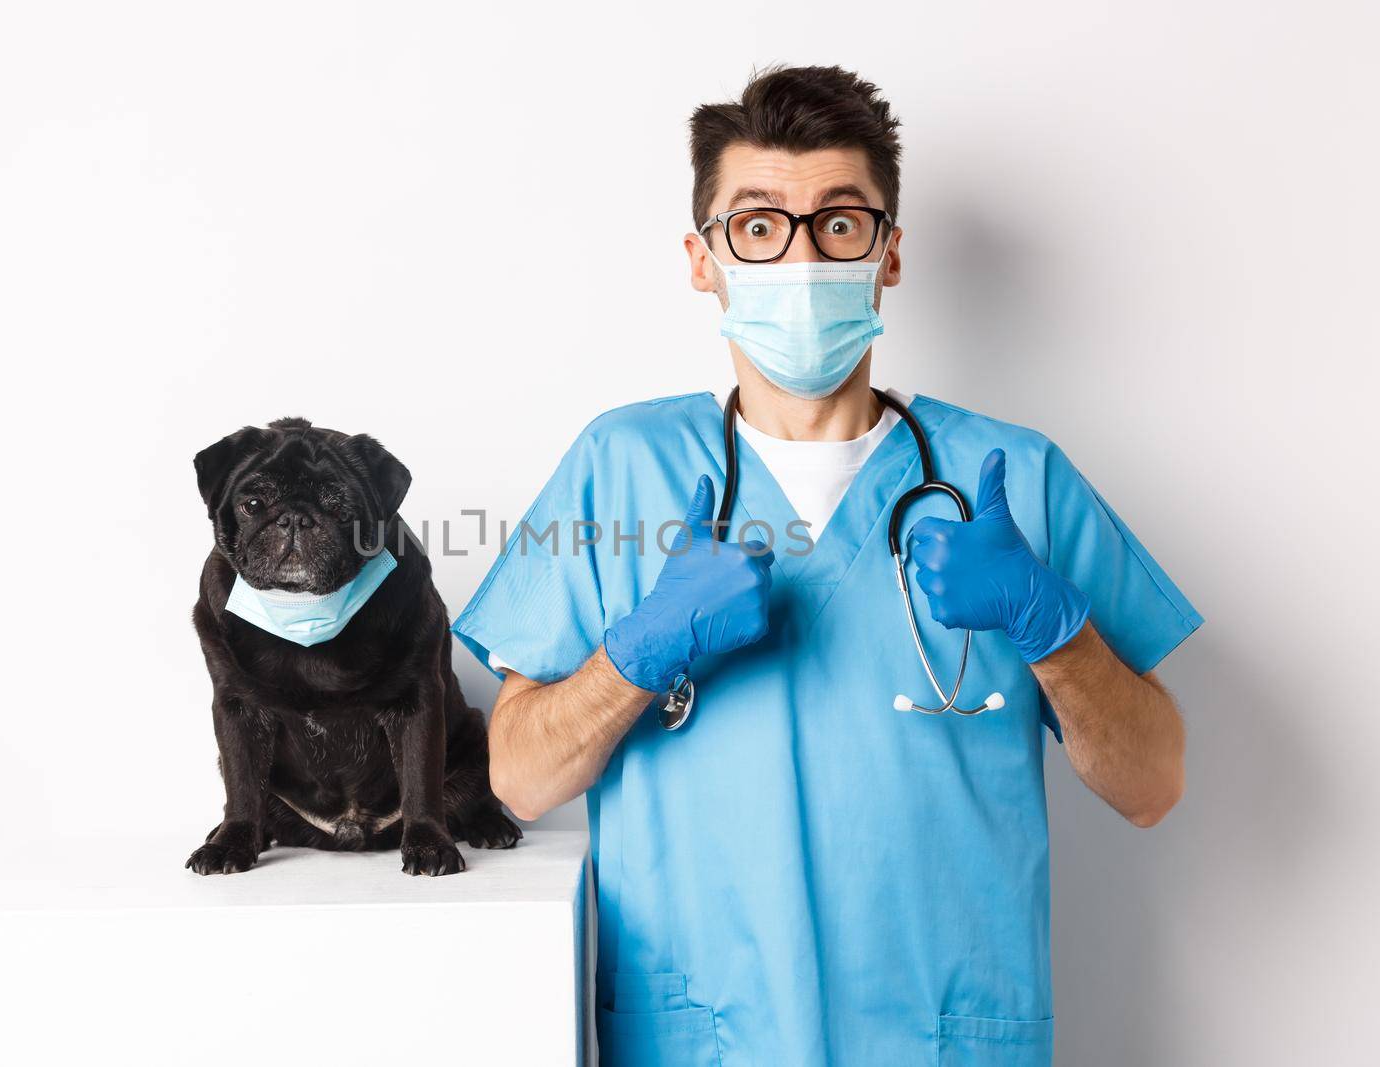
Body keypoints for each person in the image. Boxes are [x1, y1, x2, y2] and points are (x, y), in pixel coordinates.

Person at [451, 65, 1200, 1067]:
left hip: (945, 1038)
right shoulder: (620, 467)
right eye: (757, 226)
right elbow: (523, 777)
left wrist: (1048, 625)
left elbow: (1152, 782)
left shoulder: (1012, 477)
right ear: (701, 258)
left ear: (888, 254)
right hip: (705, 1038)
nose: (799, 256)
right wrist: (637, 653)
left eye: (839, 223)